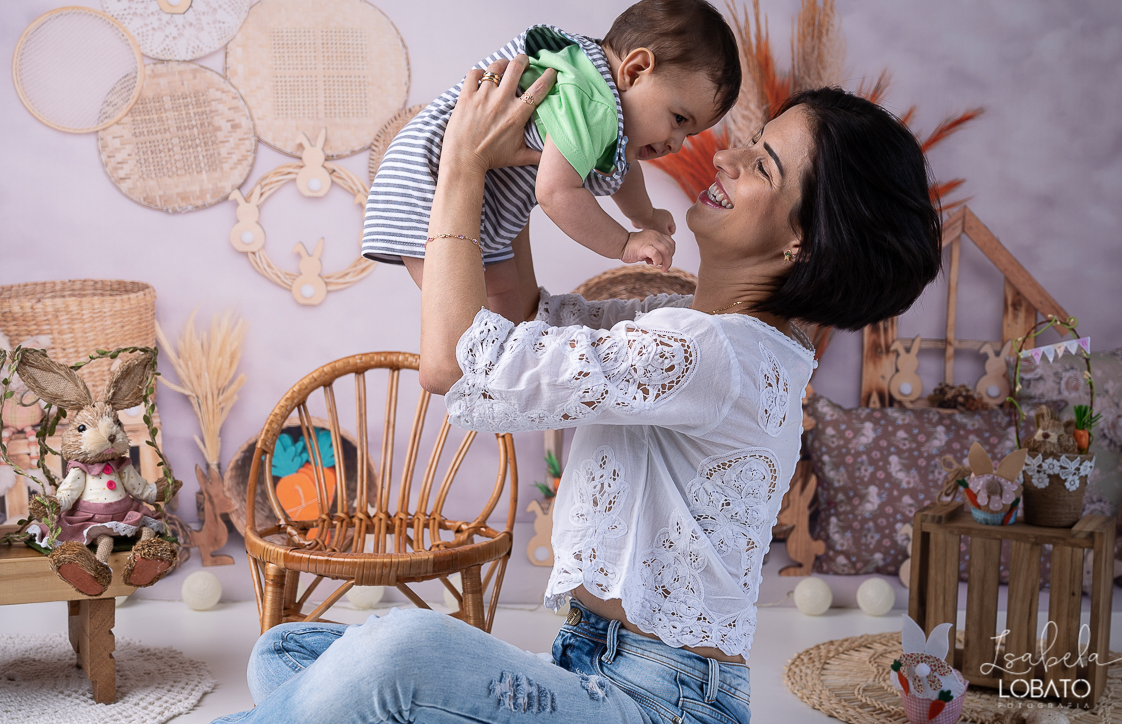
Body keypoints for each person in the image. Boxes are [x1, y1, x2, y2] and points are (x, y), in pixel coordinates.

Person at [213, 53, 942, 723]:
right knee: (288, 654)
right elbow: (521, 317)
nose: (724, 154)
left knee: (396, 654)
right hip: (587, 666)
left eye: (762, 165)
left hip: (661, 703)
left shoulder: (714, 353)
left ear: (802, 241)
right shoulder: (681, 322)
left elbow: (459, 364)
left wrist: (463, 171)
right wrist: (532, 161)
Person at [361, 0, 741, 323]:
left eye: (689, 134)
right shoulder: (594, 103)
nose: (677, 143)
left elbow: (622, 168)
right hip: (427, 185)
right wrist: (625, 242)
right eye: (678, 119)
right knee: (465, 322)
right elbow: (557, 193)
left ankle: (507, 381)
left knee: (506, 308)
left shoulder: (594, 84)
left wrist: (644, 214)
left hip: (455, 190)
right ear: (637, 69)